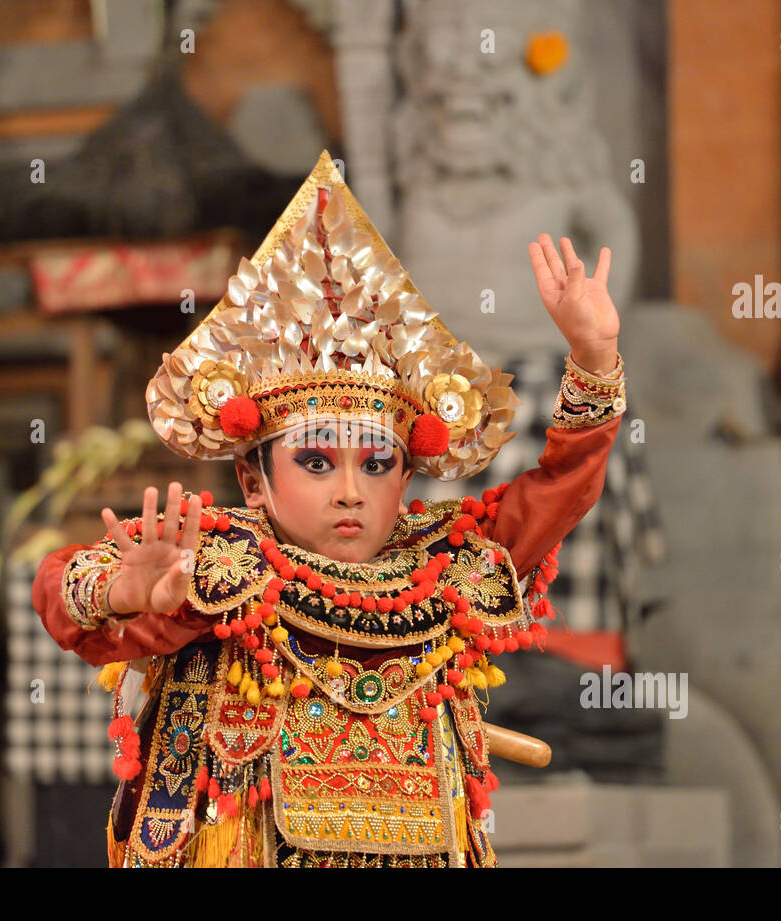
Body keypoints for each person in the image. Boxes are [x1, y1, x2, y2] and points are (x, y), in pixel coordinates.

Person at [31, 151, 627, 867]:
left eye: (376, 463)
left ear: (407, 472)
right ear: (254, 481)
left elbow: (561, 488)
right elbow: (61, 587)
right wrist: (131, 591)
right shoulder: (220, 565)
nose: (350, 489)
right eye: (316, 462)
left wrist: (594, 357)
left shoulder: (446, 564)